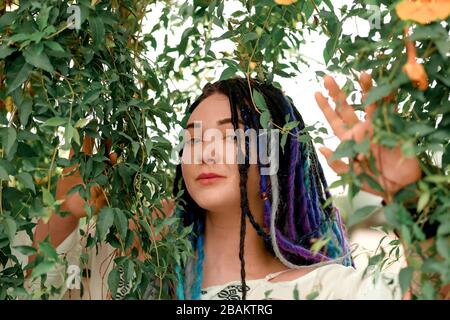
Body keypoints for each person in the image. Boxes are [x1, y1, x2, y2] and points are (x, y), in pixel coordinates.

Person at [28, 74, 439, 300]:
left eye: (231, 136)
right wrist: (66, 205)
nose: (204, 151)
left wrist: (409, 195)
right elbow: (23, 285)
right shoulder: (123, 275)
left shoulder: (324, 289)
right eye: (193, 137)